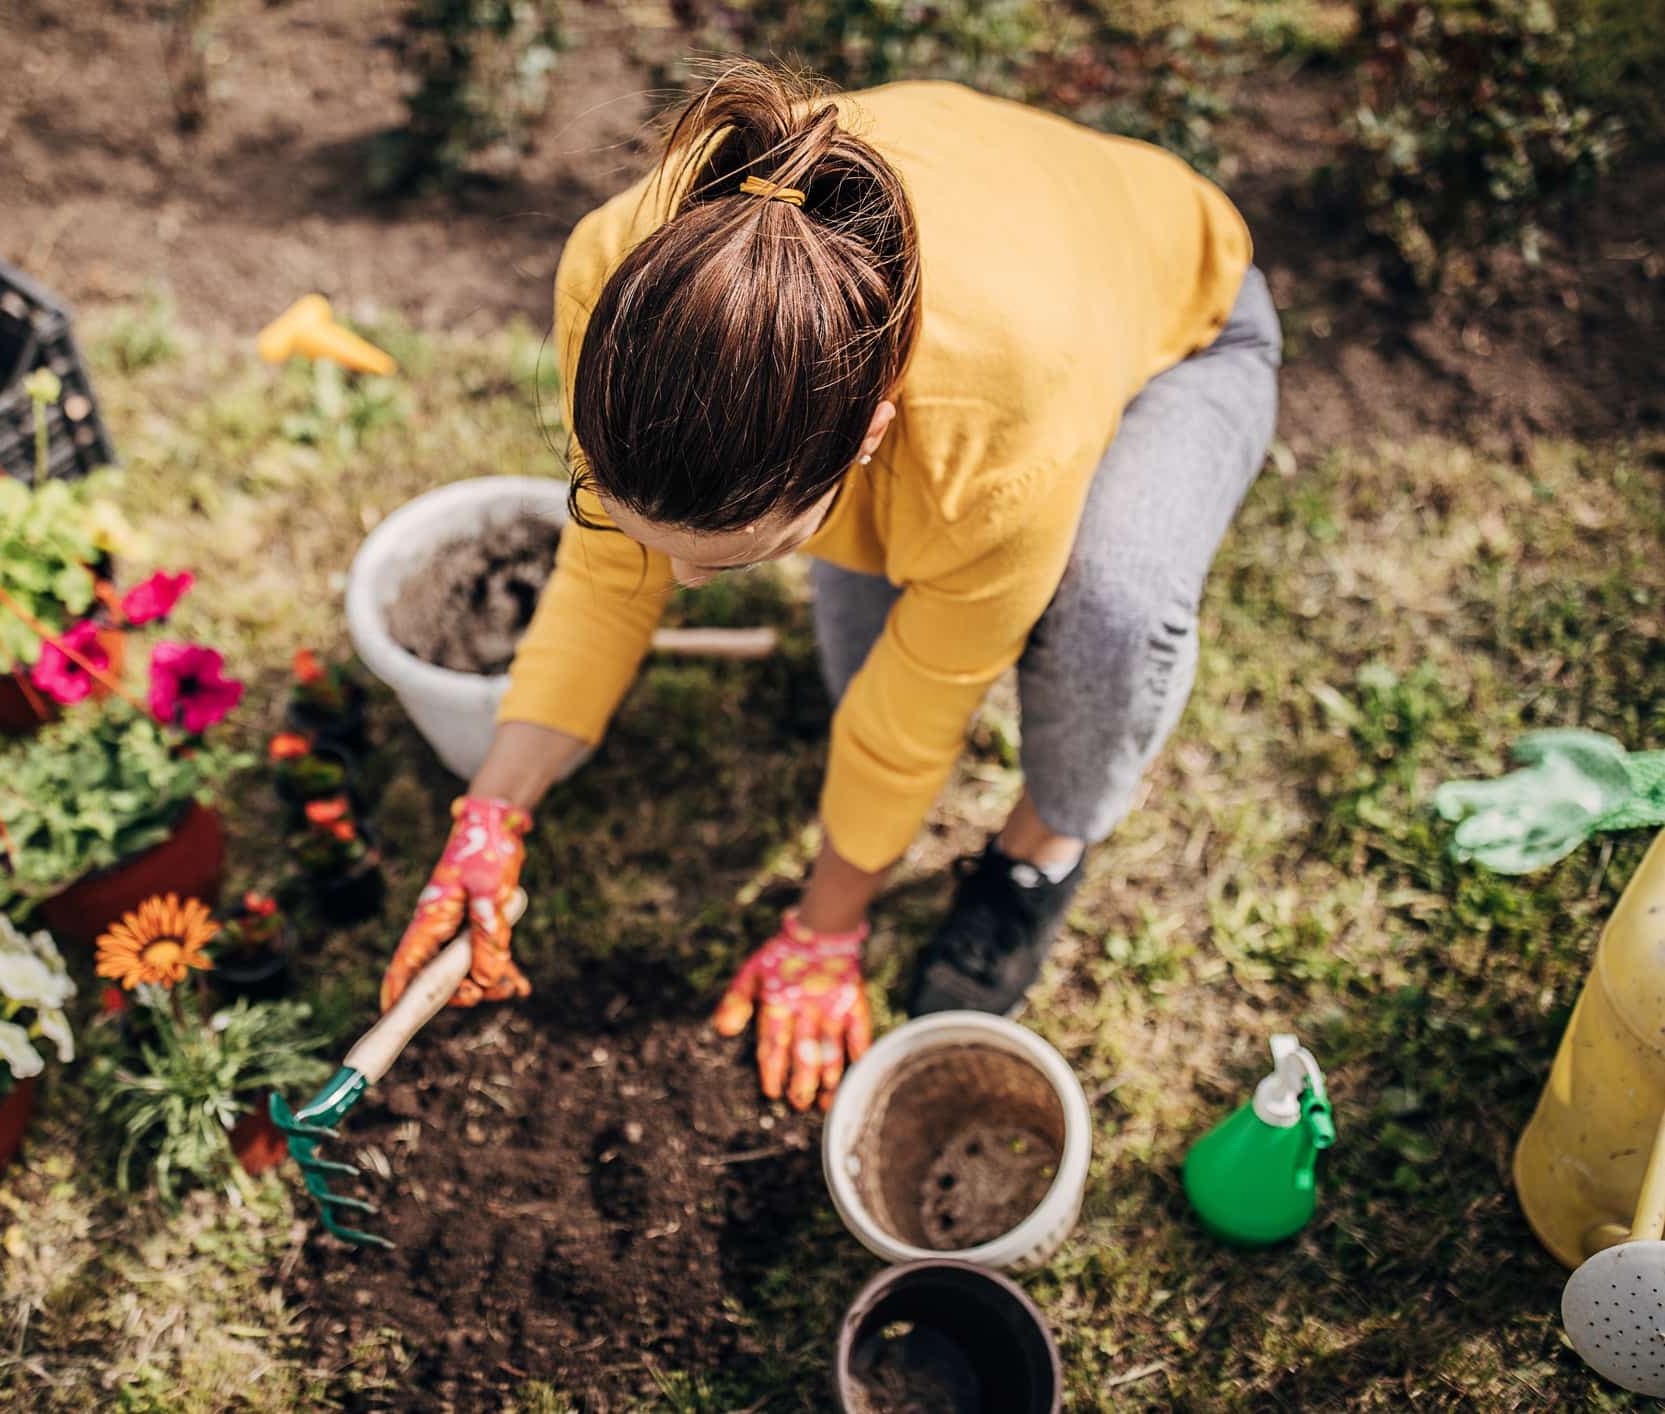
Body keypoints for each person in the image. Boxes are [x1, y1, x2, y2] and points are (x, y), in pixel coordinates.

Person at [380, 61, 1281, 1112]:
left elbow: (916, 716)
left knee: (1105, 615)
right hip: (972, 266)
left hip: (1189, 325)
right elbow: (608, 577)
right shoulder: (626, 285)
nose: (673, 584)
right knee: (861, 664)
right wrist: (492, 812)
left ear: (868, 437)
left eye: (721, 560)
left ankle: (1041, 849)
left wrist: (828, 925)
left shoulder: (996, 434)